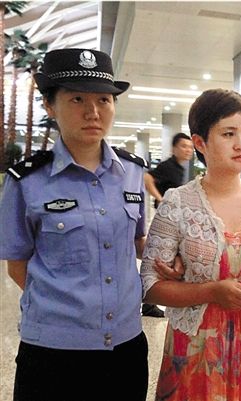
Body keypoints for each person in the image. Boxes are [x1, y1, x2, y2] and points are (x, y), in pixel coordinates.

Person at [0, 48, 151, 401]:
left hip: (126, 347)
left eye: (104, 100)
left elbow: (137, 244)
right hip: (53, 352)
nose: (93, 112)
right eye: (77, 99)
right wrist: (69, 307)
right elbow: (17, 264)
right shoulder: (26, 180)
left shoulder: (132, 172)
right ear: (50, 105)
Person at [140, 88, 241, 401]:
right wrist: (210, 291)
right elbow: (149, 286)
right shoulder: (178, 203)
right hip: (196, 350)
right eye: (228, 134)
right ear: (200, 143)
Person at [142, 132, 194, 318]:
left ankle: (152, 302)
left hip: (175, 220)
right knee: (160, 260)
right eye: (183, 146)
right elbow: (147, 178)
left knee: (169, 260)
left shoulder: (180, 168)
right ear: (174, 148)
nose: (188, 150)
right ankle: (149, 303)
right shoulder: (168, 166)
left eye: (190, 147)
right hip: (165, 221)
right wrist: (160, 198)